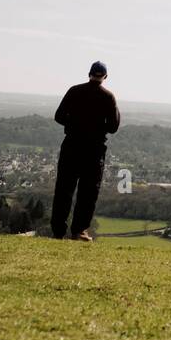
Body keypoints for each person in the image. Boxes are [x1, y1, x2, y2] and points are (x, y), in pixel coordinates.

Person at [50, 61, 121, 241]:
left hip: (72, 145)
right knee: (88, 192)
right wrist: (97, 128)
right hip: (94, 149)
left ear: (89, 73)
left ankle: (58, 231)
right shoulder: (108, 97)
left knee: (64, 189)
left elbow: (59, 116)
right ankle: (79, 230)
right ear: (105, 77)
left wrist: (74, 125)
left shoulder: (74, 91)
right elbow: (113, 127)